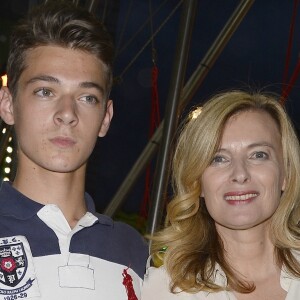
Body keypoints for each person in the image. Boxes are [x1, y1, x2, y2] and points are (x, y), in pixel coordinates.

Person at [0, 1, 148, 299]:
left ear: (105, 118)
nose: (67, 113)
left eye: (87, 97)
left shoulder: (134, 254)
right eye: (45, 91)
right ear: (8, 104)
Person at [142, 90, 300, 299]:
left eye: (258, 155)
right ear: (197, 181)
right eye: (218, 158)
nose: (240, 174)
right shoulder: (169, 289)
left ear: (286, 173)